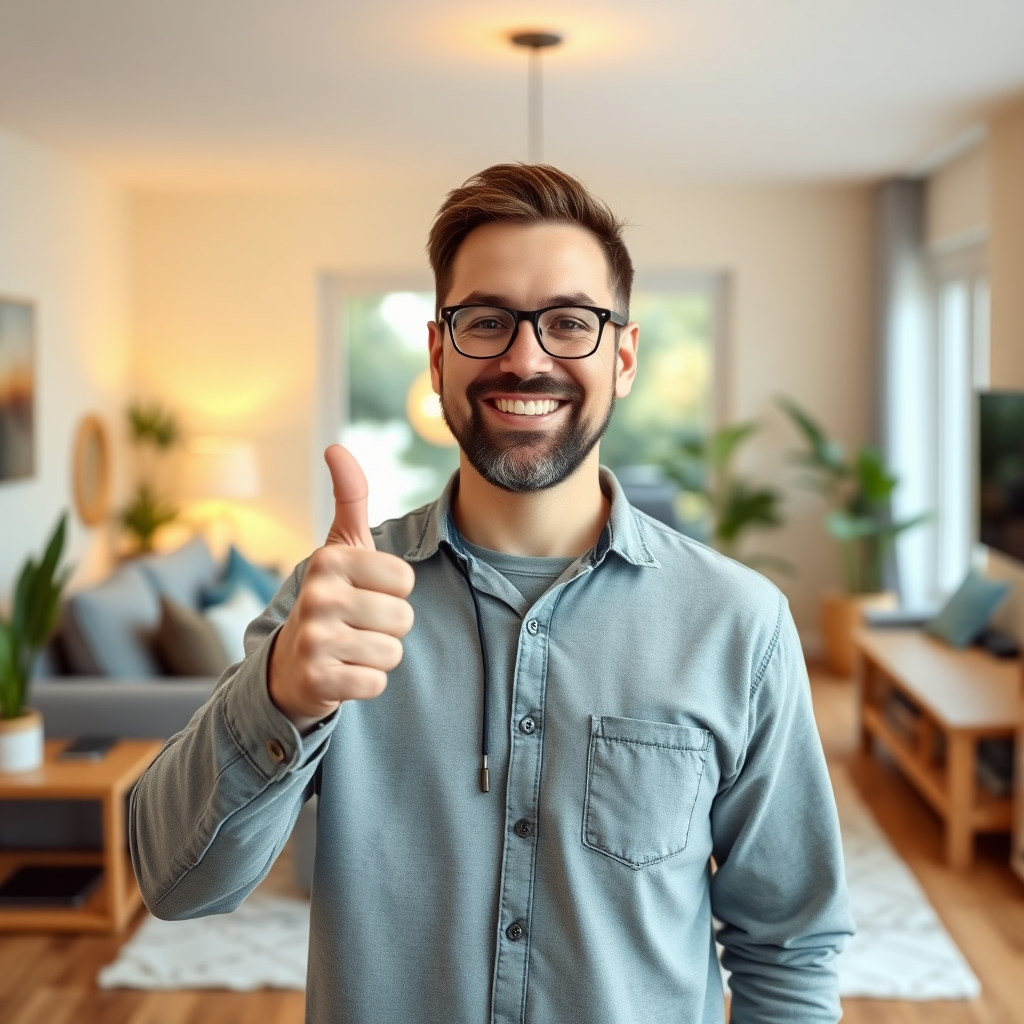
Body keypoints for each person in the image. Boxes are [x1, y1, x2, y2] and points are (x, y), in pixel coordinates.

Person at [130, 163, 853, 1024]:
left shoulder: (739, 623)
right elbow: (174, 883)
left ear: (622, 357)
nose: (525, 356)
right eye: (485, 321)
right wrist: (281, 692)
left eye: (569, 323)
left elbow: (790, 948)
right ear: (437, 356)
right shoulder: (337, 606)